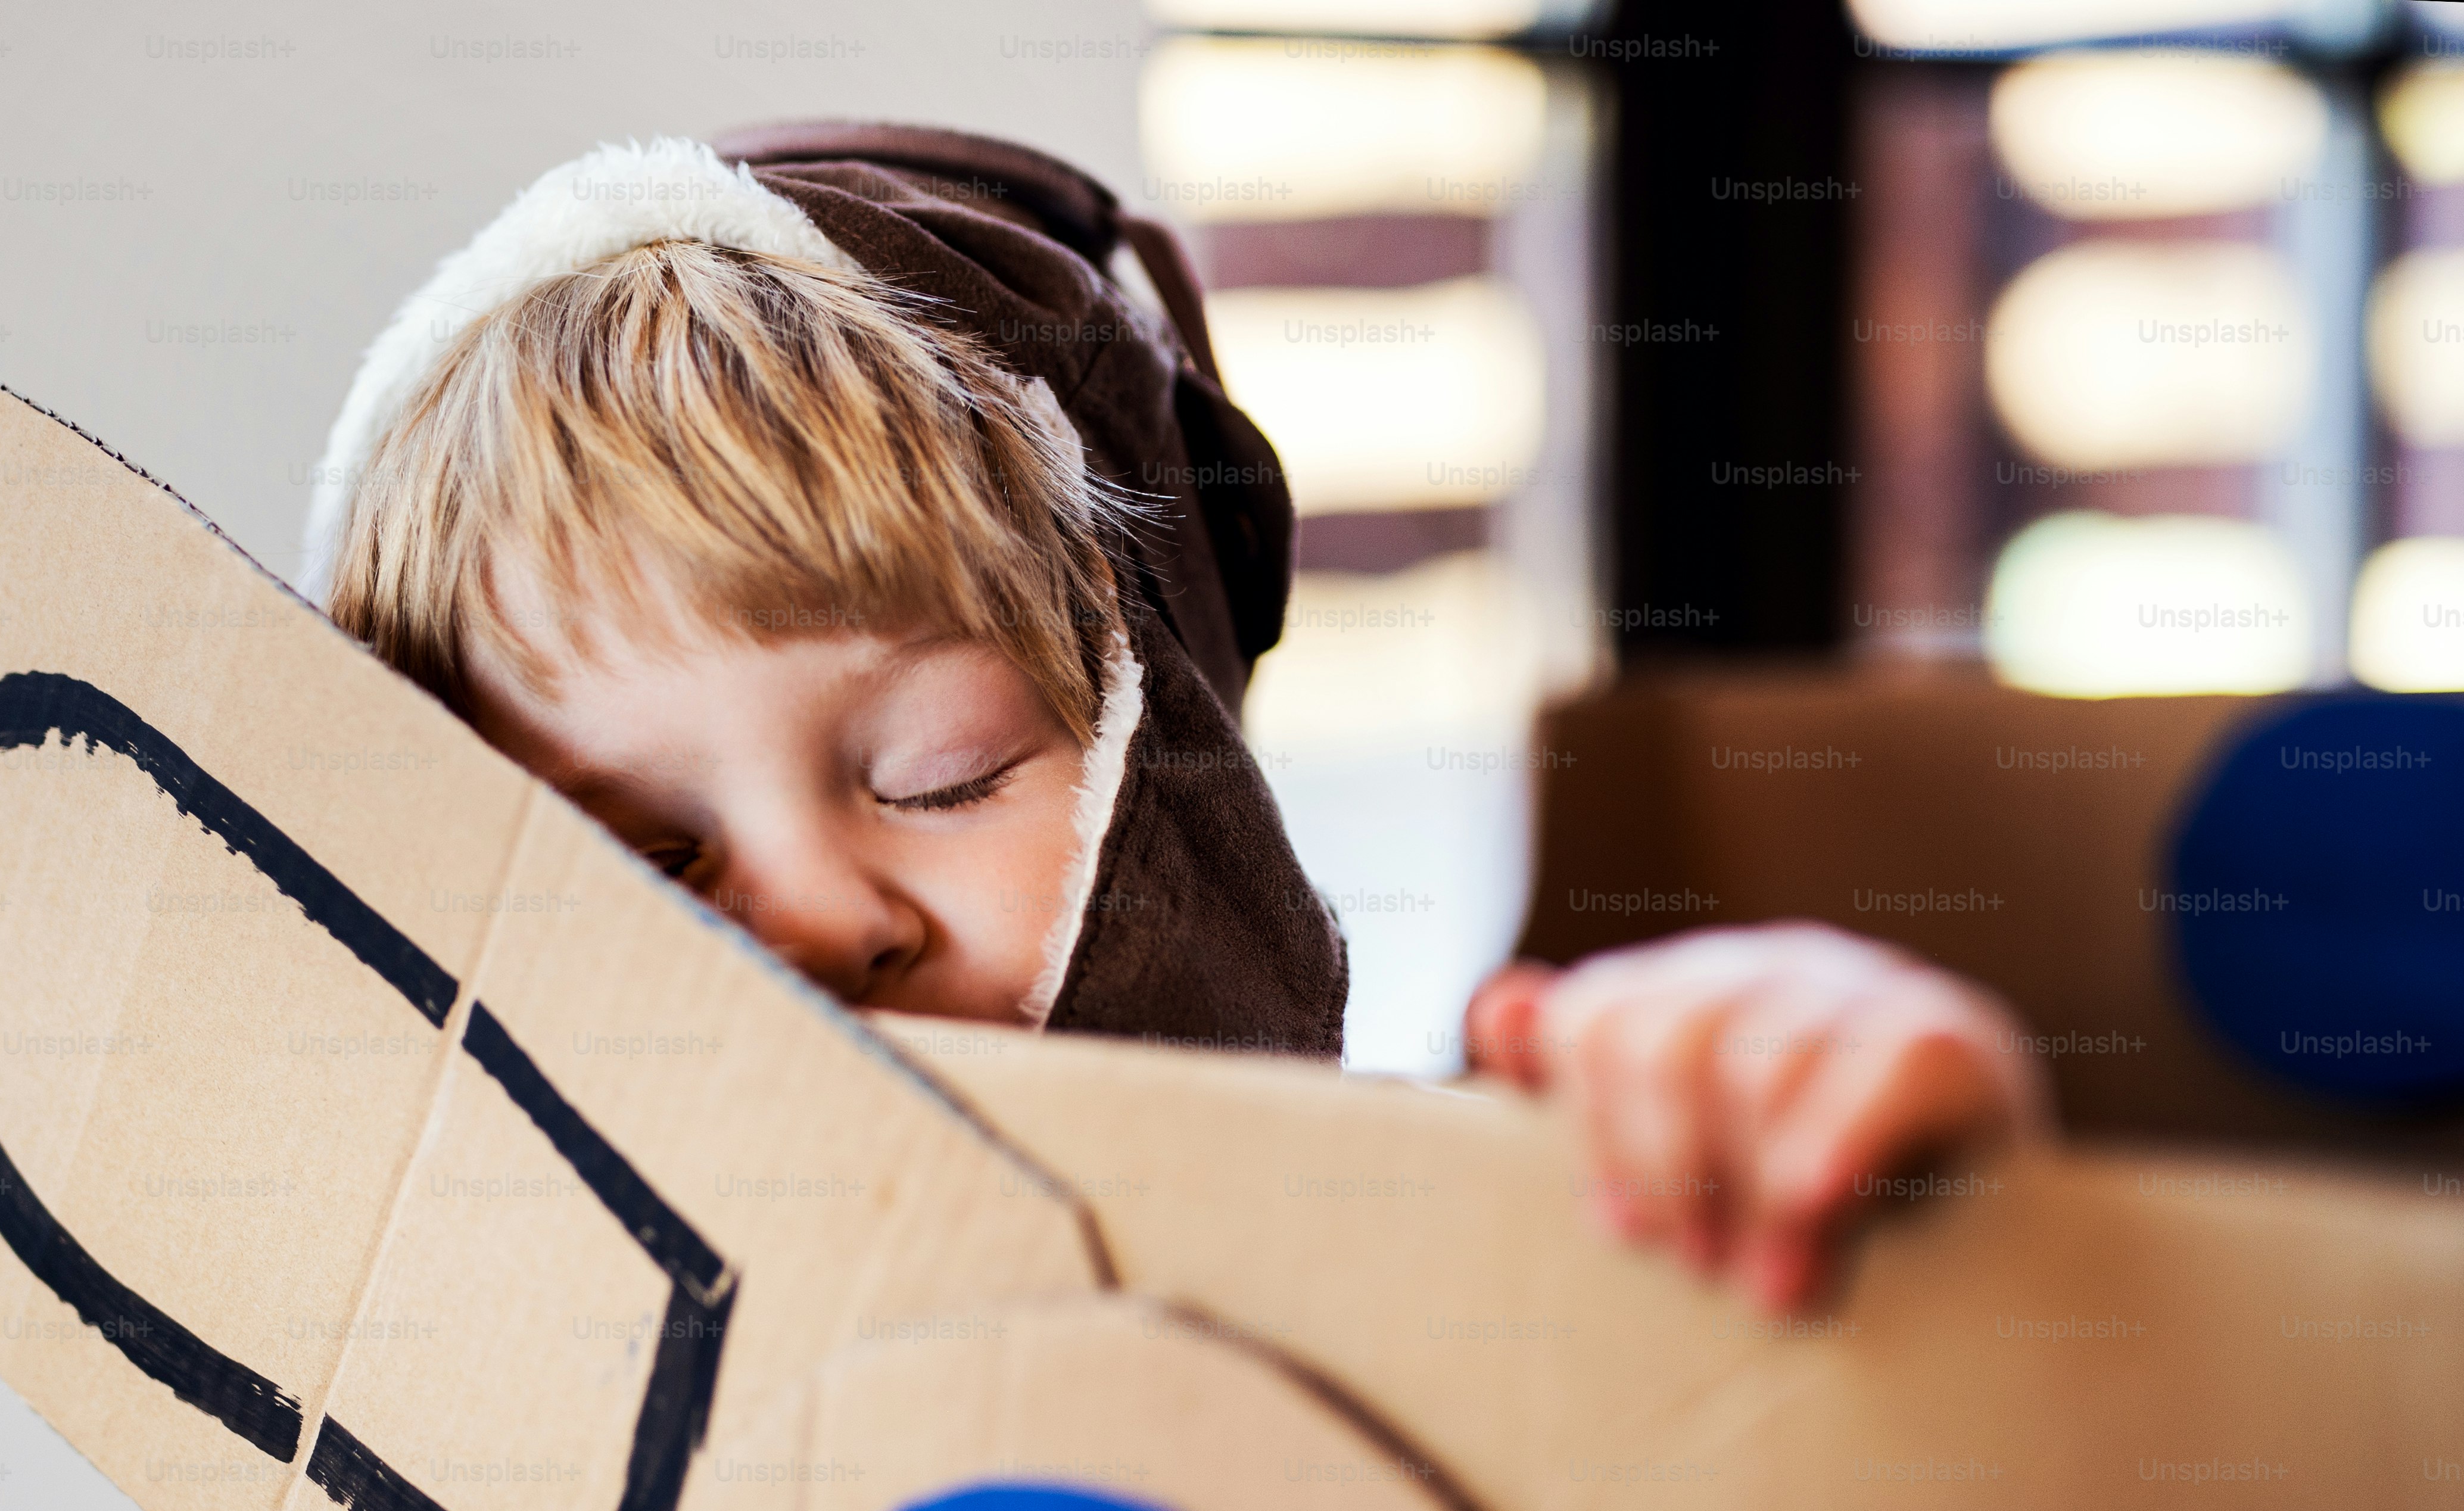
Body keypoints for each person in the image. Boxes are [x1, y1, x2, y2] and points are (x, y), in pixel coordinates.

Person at [303, 126, 2044, 1311]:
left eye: (940, 775)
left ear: (1169, 755)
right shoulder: (444, 1344)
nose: (814, 922)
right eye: (650, 855)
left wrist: (1793, 1097)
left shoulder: (1405, 1240)